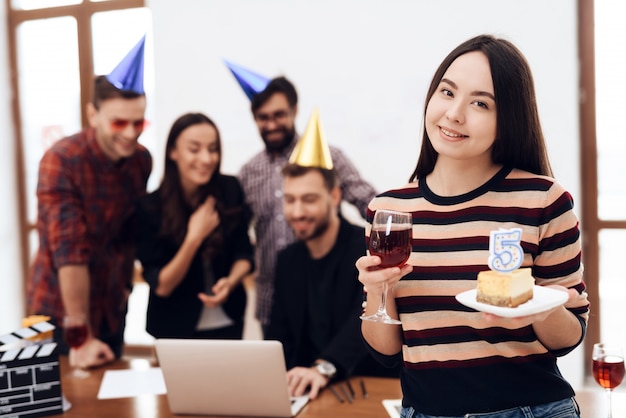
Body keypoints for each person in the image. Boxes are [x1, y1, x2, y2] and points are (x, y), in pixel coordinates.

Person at [356, 34, 589, 417]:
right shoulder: (390, 210)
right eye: (447, 93)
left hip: (530, 409)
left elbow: (569, 336)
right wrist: (378, 291)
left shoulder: (543, 200)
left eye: (480, 103)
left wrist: (540, 308)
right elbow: (386, 350)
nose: (455, 114)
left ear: (508, 117)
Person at [27, 36, 152, 368]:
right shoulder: (62, 160)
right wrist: (79, 333)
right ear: (93, 114)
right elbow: (70, 249)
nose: (129, 133)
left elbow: (130, 233)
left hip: (111, 308)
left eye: (138, 122)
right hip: (60, 312)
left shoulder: (141, 161)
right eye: (118, 122)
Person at [265, 112, 398, 400]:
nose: (297, 212)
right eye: (290, 200)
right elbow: (278, 336)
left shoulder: (365, 253)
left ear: (335, 197)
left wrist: (323, 367)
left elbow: (361, 322)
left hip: (364, 388)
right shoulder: (287, 260)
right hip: (306, 394)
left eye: (309, 199)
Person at [235, 75, 376, 331]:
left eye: (279, 115)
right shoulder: (248, 172)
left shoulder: (329, 157)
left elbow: (369, 203)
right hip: (274, 299)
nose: (271, 124)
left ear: (294, 110)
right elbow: (237, 233)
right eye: (263, 118)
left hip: (329, 291)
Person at [136, 113, 254, 339]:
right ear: (173, 152)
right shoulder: (150, 207)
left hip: (228, 320)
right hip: (174, 326)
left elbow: (244, 253)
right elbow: (162, 286)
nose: (206, 158)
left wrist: (231, 282)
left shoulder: (230, 188)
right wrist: (194, 238)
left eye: (213, 149)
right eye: (194, 149)